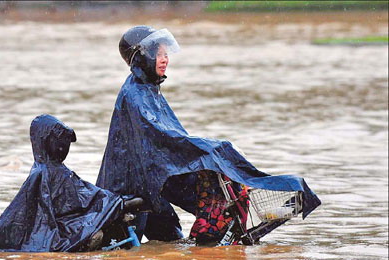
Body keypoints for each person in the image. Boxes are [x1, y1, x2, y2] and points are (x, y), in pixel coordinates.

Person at [96, 25, 321, 244]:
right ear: (141, 57)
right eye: (158, 54)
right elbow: (163, 139)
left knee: (169, 244)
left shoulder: (148, 89)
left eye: (166, 54)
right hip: (130, 186)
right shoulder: (136, 94)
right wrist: (209, 149)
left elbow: (167, 139)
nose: (165, 59)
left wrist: (205, 149)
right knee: (122, 249)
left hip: (150, 186)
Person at [0, 114, 143, 252]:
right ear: (49, 142)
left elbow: (83, 195)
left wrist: (112, 201)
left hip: (60, 223)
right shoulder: (46, 173)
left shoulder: (48, 171)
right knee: (86, 230)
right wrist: (116, 202)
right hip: (56, 233)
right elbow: (80, 199)